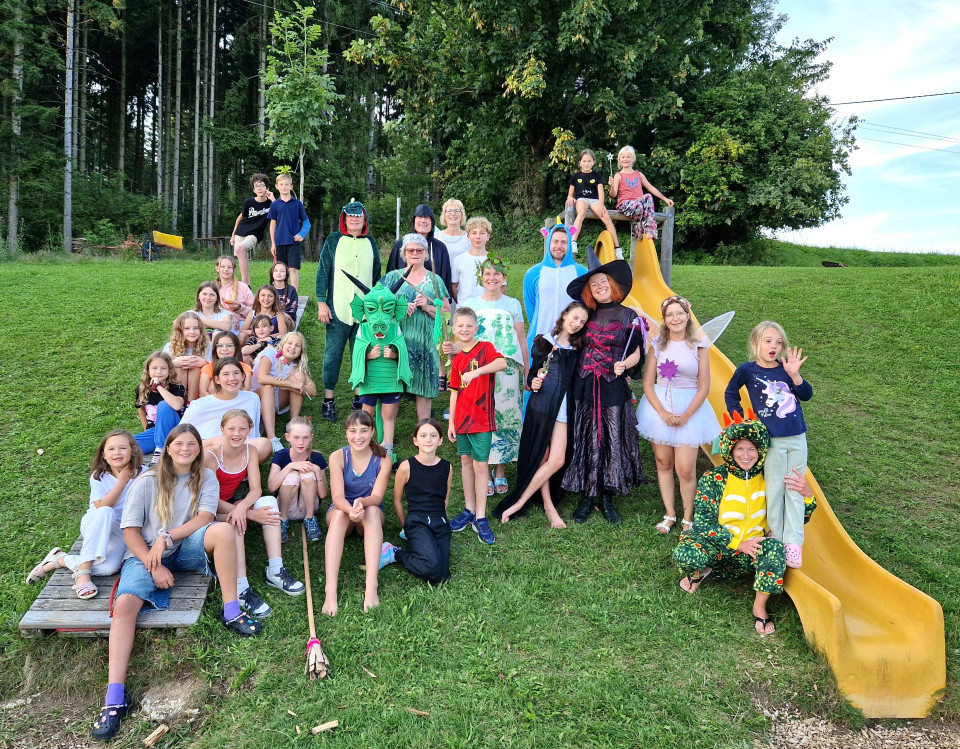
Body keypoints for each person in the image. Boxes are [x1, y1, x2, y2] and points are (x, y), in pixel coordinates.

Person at [90, 424, 259, 741]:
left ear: (199, 449)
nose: (185, 449)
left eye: (192, 444)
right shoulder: (147, 481)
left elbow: (205, 517)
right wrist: (153, 566)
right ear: (167, 448)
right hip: (145, 553)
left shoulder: (205, 476)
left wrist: (167, 538)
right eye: (179, 443)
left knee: (223, 531)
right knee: (124, 605)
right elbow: (130, 532)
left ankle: (231, 610)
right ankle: (115, 698)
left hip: (182, 546)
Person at [673, 412, 816, 636]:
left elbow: (794, 518)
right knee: (688, 552)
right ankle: (701, 570)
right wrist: (739, 544)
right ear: (730, 450)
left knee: (775, 548)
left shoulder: (770, 478)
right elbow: (703, 523)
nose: (746, 455)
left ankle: (759, 607)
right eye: (740, 449)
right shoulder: (714, 478)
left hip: (751, 552)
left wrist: (807, 496)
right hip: (719, 548)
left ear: (760, 451)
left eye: (752, 449)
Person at [562, 260, 646, 524]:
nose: (599, 286)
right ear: (589, 290)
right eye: (594, 284)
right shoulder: (585, 313)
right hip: (585, 382)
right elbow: (568, 338)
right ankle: (588, 495)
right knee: (587, 436)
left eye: (603, 281)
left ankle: (607, 496)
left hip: (612, 383)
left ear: (612, 285)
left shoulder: (629, 315)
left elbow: (637, 351)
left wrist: (625, 364)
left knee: (611, 437)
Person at [724, 321, 813, 569]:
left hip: (797, 437)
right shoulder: (747, 370)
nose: (774, 346)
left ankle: (793, 543)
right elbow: (730, 393)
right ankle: (776, 536)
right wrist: (739, 419)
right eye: (768, 341)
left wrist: (795, 375)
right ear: (755, 343)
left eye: (778, 342)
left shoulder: (786, 369)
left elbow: (806, 394)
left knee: (794, 487)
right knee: (774, 488)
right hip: (771, 440)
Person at [494, 302, 588, 527]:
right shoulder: (544, 342)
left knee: (557, 459)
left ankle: (520, 502)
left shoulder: (580, 348)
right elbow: (533, 375)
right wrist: (534, 382)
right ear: (565, 315)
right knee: (542, 457)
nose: (577, 324)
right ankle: (548, 505)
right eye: (575, 317)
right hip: (543, 406)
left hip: (564, 410)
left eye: (582, 321)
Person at [205, 409, 302, 620]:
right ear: (222, 429)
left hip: (232, 504)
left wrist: (243, 508)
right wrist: (247, 514)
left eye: (242, 428)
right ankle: (241, 588)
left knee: (268, 502)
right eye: (231, 428)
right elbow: (208, 500)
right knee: (235, 521)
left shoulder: (250, 451)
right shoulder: (210, 457)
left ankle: (275, 570)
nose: (236, 433)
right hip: (209, 512)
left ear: (250, 430)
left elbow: (256, 489)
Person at [636, 296, 721, 534]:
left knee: (685, 468)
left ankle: (688, 517)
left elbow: (704, 387)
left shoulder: (699, 346)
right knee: (663, 462)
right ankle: (670, 514)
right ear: (664, 319)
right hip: (659, 408)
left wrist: (685, 416)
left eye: (679, 313)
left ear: (687, 316)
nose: (675, 318)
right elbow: (648, 384)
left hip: (690, 410)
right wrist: (662, 412)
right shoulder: (657, 345)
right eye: (670, 314)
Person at [25, 431, 145, 600]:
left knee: (109, 568)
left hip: (120, 530)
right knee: (106, 511)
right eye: (111, 449)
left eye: (123, 448)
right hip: (95, 524)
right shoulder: (99, 477)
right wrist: (122, 482)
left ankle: (61, 560)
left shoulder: (143, 474)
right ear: (103, 455)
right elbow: (102, 506)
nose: (117, 452)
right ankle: (83, 573)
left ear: (132, 451)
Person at [460, 258, 528, 494]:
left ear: (504, 278)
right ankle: (485, 468)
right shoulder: (471, 303)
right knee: (482, 414)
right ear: (481, 277)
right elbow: (464, 336)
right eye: (487, 273)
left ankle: (500, 470)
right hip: (479, 368)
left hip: (507, 368)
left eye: (497, 274)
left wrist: (527, 368)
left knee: (505, 416)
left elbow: (520, 337)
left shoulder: (513, 304)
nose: (492, 278)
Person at [315, 200, 381, 422]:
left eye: (358, 216)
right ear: (344, 218)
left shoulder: (370, 242)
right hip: (338, 308)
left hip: (365, 312)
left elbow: (377, 276)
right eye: (350, 216)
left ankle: (358, 397)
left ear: (364, 219)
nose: (354, 219)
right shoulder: (334, 240)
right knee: (333, 354)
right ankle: (329, 399)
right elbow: (322, 271)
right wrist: (321, 302)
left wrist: (376, 306)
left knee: (360, 353)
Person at [446, 307, 507, 544]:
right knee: (465, 462)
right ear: (454, 329)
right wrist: (451, 422)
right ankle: (469, 509)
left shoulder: (485, 348)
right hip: (462, 420)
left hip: (481, 419)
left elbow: (501, 363)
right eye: (460, 326)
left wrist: (477, 372)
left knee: (481, 466)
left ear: (476, 328)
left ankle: (480, 516)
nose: (464, 329)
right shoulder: (457, 360)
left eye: (469, 326)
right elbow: (454, 392)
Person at [322, 410, 392, 616]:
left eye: (363, 430)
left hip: (368, 512)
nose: (358, 436)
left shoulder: (383, 459)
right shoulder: (337, 456)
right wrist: (350, 509)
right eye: (353, 431)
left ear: (372, 432)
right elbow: (337, 497)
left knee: (372, 512)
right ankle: (330, 591)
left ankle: (371, 586)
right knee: (338, 515)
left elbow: (377, 497)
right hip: (342, 510)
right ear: (346, 432)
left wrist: (361, 503)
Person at [341, 271, 413, 459]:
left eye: (387, 309)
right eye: (372, 309)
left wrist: (394, 354)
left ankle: (388, 448)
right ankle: (367, 446)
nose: (380, 315)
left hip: (390, 380)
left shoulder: (395, 327)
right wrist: (368, 355)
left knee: (389, 415)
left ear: (395, 309)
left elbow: (403, 351)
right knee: (366, 416)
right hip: (370, 380)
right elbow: (356, 353)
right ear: (363, 309)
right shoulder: (363, 329)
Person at [380, 234, 451, 420]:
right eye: (410, 250)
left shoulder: (435, 280)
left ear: (426, 253)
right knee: (394, 387)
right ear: (404, 253)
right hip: (397, 341)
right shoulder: (391, 278)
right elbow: (376, 310)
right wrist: (399, 309)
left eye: (419, 250)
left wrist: (427, 307)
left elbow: (447, 314)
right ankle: (388, 431)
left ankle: (424, 428)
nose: (415, 253)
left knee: (423, 387)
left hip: (426, 343)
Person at [380, 418, 453, 584]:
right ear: (415, 440)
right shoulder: (406, 467)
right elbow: (397, 501)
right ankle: (394, 553)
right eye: (423, 435)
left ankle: (423, 545)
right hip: (417, 522)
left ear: (440, 440)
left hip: (440, 523)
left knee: (442, 576)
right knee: (430, 568)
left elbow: (445, 499)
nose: (428, 440)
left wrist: (440, 520)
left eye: (433, 435)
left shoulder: (447, 467)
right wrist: (406, 526)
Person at [522, 222, 587, 353]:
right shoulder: (533, 273)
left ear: (569, 244)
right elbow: (530, 306)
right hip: (540, 335)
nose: (559, 246)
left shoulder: (581, 272)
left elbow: (585, 304)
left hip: (571, 340)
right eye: (555, 241)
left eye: (563, 242)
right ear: (549, 243)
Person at [181, 357, 266, 452]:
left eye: (236, 373)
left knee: (264, 444)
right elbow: (180, 433)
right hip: (211, 449)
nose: (232, 378)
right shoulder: (199, 405)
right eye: (226, 374)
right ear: (217, 379)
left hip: (241, 447)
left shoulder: (252, 398)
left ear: (243, 376)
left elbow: (254, 432)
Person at [253, 331, 317, 452]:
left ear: (301, 351)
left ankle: (293, 423)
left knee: (298, 377)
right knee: (268, 387)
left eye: (297, 345)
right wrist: (290, 384)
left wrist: (295, 385)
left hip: (275, 400)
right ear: (283, 344)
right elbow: (262, 378)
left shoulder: (295, 365)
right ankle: (272, 437)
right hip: (257, 398)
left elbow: (313, 391)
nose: (293, 347)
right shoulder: (270, 353)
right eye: (290, 343)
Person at [268, 417, 328, 544]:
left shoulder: (317, 458)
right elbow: (272, 487)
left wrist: (317, 470)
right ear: (287, 437)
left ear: (311, 437)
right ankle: (282, 519)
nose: (301, 442)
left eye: (305, 438)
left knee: (308, 475)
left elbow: (323, 494)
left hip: (309, 506)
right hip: (285, 506)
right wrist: (290, 466)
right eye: (296, 437)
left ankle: (310, 518)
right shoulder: (280, 455)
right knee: (292, 476)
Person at [607, 145, 674, 241]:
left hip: (639, 205)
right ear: (619, 159)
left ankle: (650, 230)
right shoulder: (618, 175)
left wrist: (665, 199)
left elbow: (651, 188)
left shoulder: (639, 174)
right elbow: (613, 194)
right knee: (638, 205)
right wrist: (612, 186)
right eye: (623, 157)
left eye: (628, 157)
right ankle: (638, 231)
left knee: (647, 197)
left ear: (633, 159)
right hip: (625, 205)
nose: (625, 159)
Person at [566, 148, 621, 258]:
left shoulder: (597, 176)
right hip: (581, 199)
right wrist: (570, 198)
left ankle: (617, 248)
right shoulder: (575, 177)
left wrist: (601, 204)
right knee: (581, 212)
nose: (586, 164)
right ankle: (573, 241)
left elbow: (601, 192)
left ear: (593, 162)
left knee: (606, 217)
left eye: (589, 161)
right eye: (584, 161)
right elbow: (570, 194)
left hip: (594, 200)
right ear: (580, 162)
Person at [387, 203, 453, 295]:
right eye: (419, 217)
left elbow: (445, 278)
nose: (423, 220)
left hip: (431, 298)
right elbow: (391, 275)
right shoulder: (401, 244)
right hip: (403, 298)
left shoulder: (440, 248)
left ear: (432, 222)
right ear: (414, 221)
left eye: (427, 218)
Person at [134, 351, 185, 464]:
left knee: (164, 405)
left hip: (175, 431)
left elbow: (177, 405)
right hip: (155, 432)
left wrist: (158, 387)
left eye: (163, 368)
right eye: (154, 368)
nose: (159, 372)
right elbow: (141, 409)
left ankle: (160, 450)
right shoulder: (142, 389)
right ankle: (162, 445)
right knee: (126, 444)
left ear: (169, 370)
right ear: (148, 370)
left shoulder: (177, 387)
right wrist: (146, 428)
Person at [229, 173, 275, 286]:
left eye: (262, 185)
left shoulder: (272, 203)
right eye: (256, 186)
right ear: (254, 190)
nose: (259, 188)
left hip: (255, 233)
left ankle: (244, 285)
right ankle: (247, 288)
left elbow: (280, 212)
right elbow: (240, 217)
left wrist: (273, 199)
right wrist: (233, 234)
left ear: (267, 188)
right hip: (241, 231)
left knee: (240, 249)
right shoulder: (248, 202)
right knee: (242, 257)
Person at [267, 172, 310, 291]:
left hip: (294, 242)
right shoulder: (275, 205)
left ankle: (293, 294)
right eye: (281, 184)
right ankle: (281, 293)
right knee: (281, 270)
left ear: (291, 186)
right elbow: (272, 225)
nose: (284, 187)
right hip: (279, 242)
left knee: (293, 269)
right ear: (277, 186)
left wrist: (301, 234)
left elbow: (306, 222)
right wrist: (273, 244)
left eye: (287, 184)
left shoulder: (297, 204)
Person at [162, 311, 210, 402]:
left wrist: (205, 363)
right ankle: (180, 401)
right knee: (181, 367)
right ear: (180, 330)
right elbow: (160, 365)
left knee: (196, 367)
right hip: (176, 382)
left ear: (200, 329)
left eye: (196, 328)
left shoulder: (208, 346)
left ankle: (191, 403)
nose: (192, 332)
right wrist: (173, 363)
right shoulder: (170, 346)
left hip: (199, 384)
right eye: (187, 328)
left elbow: (217, 367)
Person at [450, 216, 492, 303]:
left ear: (488, 236)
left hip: (487, 306)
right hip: (465, 307)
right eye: (474, 233)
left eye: (482, 233)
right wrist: (462, 303)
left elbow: (502, 287)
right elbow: (453, 286)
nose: (478, 237)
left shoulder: (493, 260)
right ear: (468, 236)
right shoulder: (459, 260)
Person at [199, 332, 253, 397]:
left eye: (229, 345)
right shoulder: (208, 368)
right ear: (215, 349)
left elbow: (245, 392)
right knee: (214, 383)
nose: (224, 349)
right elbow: (203, 392)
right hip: (214, 401)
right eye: (220, 346)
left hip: (237, 401)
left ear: (236, 348)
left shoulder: (245, 368)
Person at [215, 256, 255, 333]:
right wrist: (230, 316)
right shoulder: (213, 288)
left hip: (241, 324)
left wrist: (240, 308)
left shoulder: (243, 287)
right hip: (219, 323)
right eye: (222, 266)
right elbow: (209, 310)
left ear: (234, 270)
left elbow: (254, 311)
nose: (226, 269)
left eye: (229, 267)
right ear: (217, 268)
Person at [435, 199, 470, 265]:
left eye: (456, 211)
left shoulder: (469, 238)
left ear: (462, 215)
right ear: (444, 215)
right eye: (449, 211)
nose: (453, 214)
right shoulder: (436, 237)